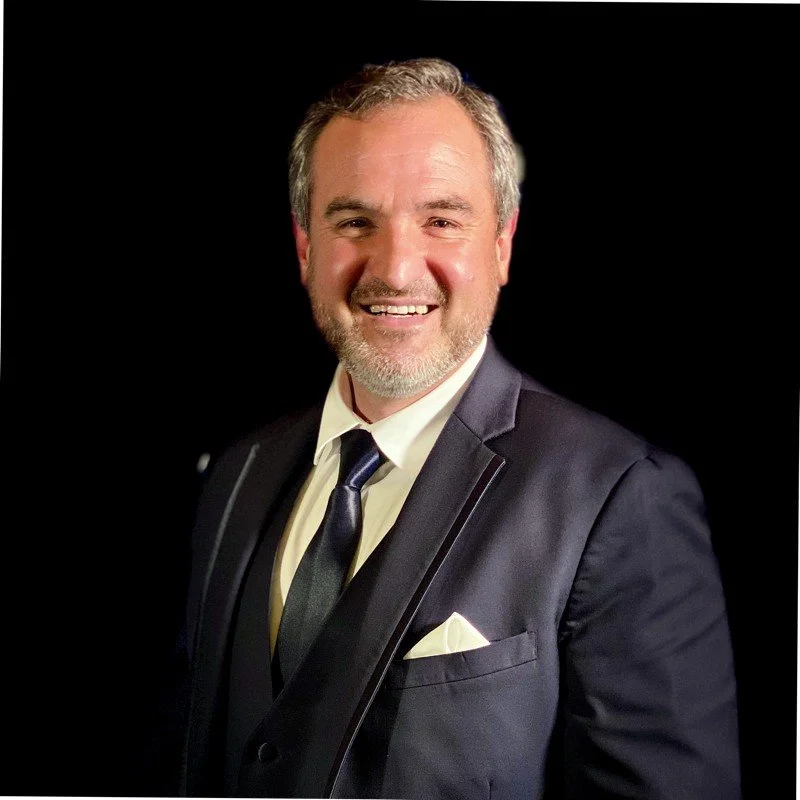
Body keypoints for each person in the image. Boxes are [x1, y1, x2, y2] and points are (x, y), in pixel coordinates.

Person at [178, 58, 740, 798]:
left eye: (441, 221)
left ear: (501, 244)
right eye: (354, 222)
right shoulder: (237, 474)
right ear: (306, 246)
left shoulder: (622, 499)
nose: (395, 269)